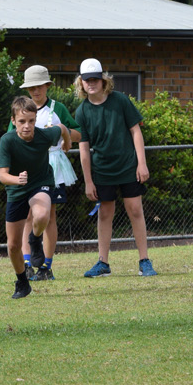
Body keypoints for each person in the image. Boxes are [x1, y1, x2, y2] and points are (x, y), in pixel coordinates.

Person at [74, 58, 157, 278]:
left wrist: (142, 163)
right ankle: (103, 263)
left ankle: (144, 261)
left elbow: (136, 131)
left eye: (95, 79)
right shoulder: (81, 112)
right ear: (81, 83)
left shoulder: (120, 100)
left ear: (103, 80)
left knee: (135, 210)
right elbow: (84, 149)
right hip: (102, 170)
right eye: (87, 80)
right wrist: (88, 181)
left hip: (128, 166)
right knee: (104, 213)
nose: (91, 83)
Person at [10, 65, 79, 280]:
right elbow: (11, 138)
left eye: (39, 86)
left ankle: (46, 266)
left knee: (49, 216)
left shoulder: (58, 108)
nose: (35, 91)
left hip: (53, 166)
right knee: (27, 215)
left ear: (48, 85)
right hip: (28, 166)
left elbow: (78, 133)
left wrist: (62, 135)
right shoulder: (21, 110)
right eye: (31, 87)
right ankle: (27, 263)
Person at [0, 96, 71, 298]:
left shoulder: (45, 135)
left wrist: (67, 142)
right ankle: (22, 282)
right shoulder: (7, 141)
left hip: (41, 183)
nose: (27, 126)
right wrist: (17, 179)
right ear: (13, 121)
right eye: (22, 121)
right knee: (13, 246)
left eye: (31, 121)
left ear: (35, 119)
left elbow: (62, 128)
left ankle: (35, 238)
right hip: (16, 190)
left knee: (41, 215)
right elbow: (2, 175)